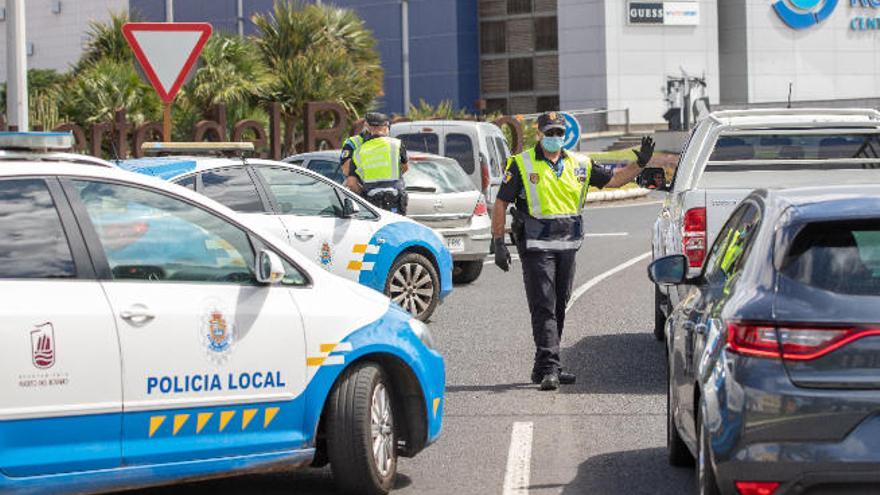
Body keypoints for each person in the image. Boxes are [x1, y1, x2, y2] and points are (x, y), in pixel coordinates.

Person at [491, 112, 655, 391]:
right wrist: (497, 241)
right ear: (539, 134)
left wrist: (640, 163)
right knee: (543, 305)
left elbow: (614, 180)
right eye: (549, 133)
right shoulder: (521, 164)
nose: (555, 138)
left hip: (568, 245)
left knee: (559, 305)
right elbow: (500, 203)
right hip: (536, 246)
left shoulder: (581, 164)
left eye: (559, 133)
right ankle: (551, 367)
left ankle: (543, 365)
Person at [340, 112, 410, 214]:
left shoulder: (359, 152)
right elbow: (346, 170)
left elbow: (351, 181)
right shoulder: (354, 143)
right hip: (391, 195)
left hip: (370, 195)